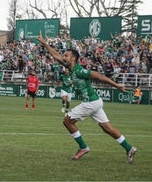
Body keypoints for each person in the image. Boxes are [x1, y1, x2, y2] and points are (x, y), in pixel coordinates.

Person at [37, 33, 137, 163]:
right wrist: (44, 43)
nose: (63, 57)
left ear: (73, 58)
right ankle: (129, 148)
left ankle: (83, 147)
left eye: (66, 55)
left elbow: (100, 76)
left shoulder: (79, 71)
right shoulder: (70, 68)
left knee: (67, 121)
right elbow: (55, 55)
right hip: (94, 102)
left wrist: (117, 85)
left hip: (90, 103)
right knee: (107, 128)